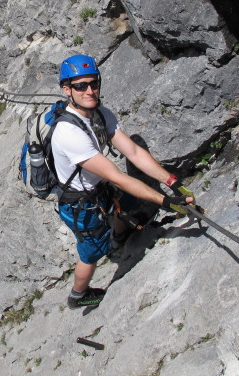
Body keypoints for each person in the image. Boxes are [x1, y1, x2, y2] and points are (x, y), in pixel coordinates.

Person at [51, 54, 194, 309]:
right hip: (79, 204)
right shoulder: (68, 133)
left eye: (94, 83)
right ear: (67, 90)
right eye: (81, 86)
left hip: (97, 188)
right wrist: (165, 201)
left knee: (117, 205)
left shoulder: (100, 114)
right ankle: (78, 295)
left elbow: (134, 152)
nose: (90, 91)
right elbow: (117, 176)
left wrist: (171, 181)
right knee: (92, 250)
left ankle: (119, 236)